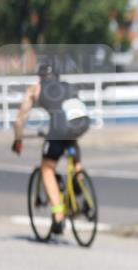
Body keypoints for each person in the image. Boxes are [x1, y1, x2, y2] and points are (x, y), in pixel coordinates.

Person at [12, 62, 90, 235]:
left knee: (47, 168)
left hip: (59, 128)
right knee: (70, 143)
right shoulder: (68, 86)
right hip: (82, 123)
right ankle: (79, 182)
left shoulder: (36, 88)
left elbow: (19, 119)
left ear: (40, 77)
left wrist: (18, 140)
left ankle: (58, 216)